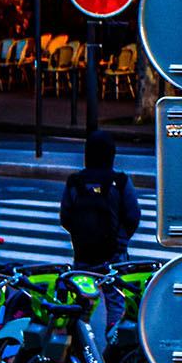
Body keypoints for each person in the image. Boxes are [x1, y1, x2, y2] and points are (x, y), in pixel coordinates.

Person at [58, 131, 141, 335]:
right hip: (113, 254)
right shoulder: (120, 182)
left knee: (81, 301)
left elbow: (65, 216)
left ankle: (81, 342)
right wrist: (120, 240)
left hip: (83, 253)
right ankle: (114, 347)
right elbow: (133, 215)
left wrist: (80, 235)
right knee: (115, 302)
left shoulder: (75, 182)